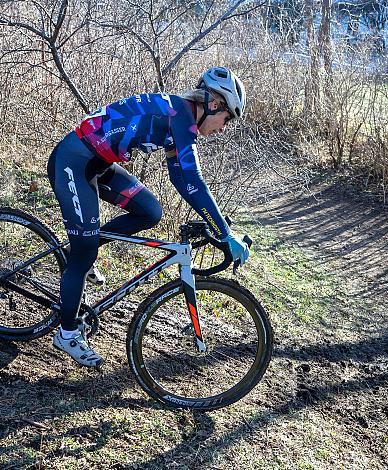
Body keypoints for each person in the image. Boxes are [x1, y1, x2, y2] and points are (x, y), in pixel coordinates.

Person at [47, 66, 250, 367]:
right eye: (226, 119)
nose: (223, 128)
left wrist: (220, 226)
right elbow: (192, 181)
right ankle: (67, 333)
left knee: (149, 211)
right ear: (214, 104)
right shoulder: (179, 118)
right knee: (83, 253)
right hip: (74, 162)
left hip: (98, 164)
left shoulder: (179, 120)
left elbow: (182, 180)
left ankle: (79, 251)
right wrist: (223, 232)